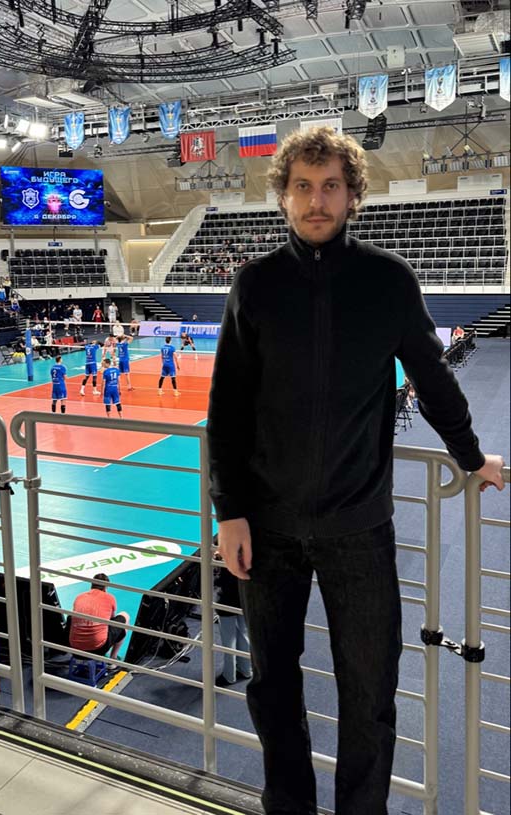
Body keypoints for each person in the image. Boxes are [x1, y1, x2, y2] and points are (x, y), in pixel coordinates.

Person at [206, 126, 506, 815]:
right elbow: (227, 408)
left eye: (330, 186)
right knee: (273, 691)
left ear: (352, 196)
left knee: (369, 697)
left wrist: (470, 456)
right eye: (303, 187)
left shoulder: (388, 280)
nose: (316, 201)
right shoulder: (255, 285)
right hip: (266, 529)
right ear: (284, 195)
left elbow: (433, 379)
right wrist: (230, 511)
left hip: (359, 530)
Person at [214, 544, 252, 688]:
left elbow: (219, 582)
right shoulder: (250, 556)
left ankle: (229, 675)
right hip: (244, 600)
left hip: (227, 602)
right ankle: (246, 669)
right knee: (243, 635)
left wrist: (218, 559)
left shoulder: (229, 561)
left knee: (228, 640)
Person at [69, 573, 130, 662]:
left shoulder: (79, 597)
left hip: (74, 648)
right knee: (125, 616)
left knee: (71, 617)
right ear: (106, 587)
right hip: (98, 649)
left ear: (92, 584)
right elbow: (111, 619)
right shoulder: (109, 597)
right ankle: (113, 659)